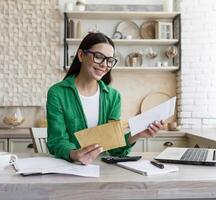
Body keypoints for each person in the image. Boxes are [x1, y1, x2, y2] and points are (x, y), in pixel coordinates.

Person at [46, 32, 164, 165]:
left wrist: (137, 134)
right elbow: (56, 140)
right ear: (81, 55)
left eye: (109, 60)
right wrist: (74, 154)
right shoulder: (57, 93)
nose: (104, 65)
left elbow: (113, 147)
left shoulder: (113, 97)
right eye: (98, 57)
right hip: (68, 168)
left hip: (102, 168)